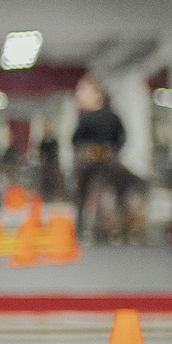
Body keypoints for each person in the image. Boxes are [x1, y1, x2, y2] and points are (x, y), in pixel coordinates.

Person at [70, 75, 129, 238]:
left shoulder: (88, 118)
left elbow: (75, 140)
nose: (80, 96)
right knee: (97, 194)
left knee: (97, 194)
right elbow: (122, 138)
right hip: (103, 162)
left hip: (96, 163)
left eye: (83, 92)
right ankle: (101, 229)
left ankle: (92, 228)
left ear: (97, 94)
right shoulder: (112, 117)